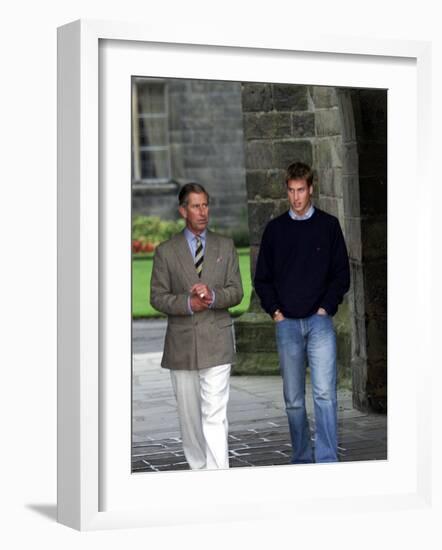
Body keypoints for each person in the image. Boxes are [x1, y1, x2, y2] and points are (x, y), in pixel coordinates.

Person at [254, 162, 350, 464]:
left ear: (311, 189)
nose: (296, 197)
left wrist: (325, 309)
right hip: (287, 325)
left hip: (319, 322)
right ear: (288, 191)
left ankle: (327, 460)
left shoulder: (329, 226)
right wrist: (276, 313)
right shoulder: (275, 230)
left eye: (301, 190)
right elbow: (262, 279)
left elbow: (341, 275)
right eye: (291, 191)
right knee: (294, 400)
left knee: (324, 395)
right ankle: (302, 458)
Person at [150, 183, 243, 470]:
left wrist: (213, 296)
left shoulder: (225, 246)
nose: (203, 212)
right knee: (190, 419)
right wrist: (188, 303)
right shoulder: (166, 252)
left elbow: (237, 291)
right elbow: (157, 297)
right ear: (182, 210)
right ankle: (198, 473)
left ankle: (218, 479)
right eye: (195, 206)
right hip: (182, 346)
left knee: (215, 414)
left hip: (217, 342)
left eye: (205, 205)